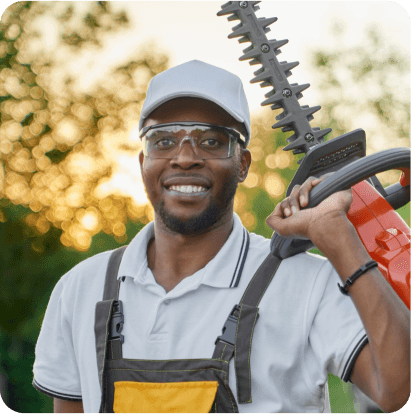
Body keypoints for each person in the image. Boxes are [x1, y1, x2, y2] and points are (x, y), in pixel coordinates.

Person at [32, 60, 410, 413]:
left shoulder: (307, 283)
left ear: (242, 164)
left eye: (212, 141)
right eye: (163, 140)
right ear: (143, 162)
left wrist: (342, 240)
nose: (185, 157)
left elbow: (394, 387)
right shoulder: (81, 289)